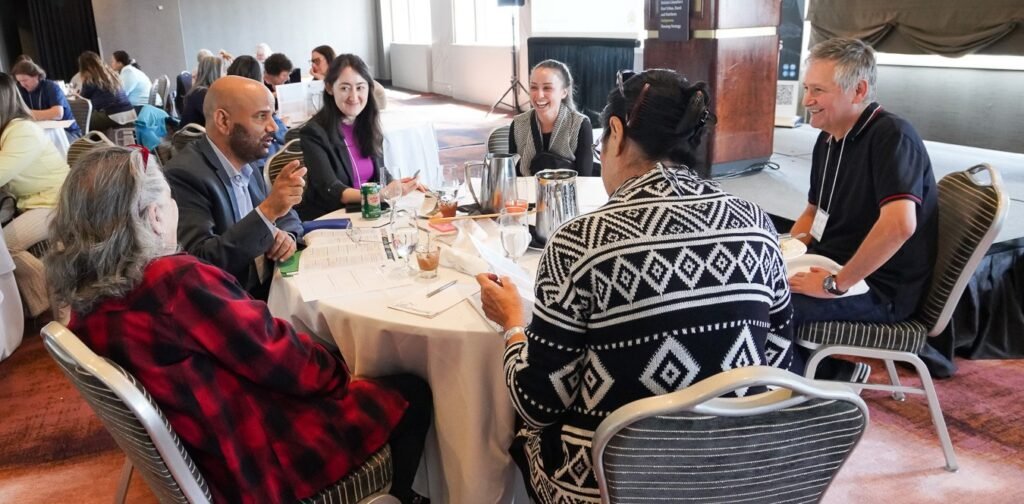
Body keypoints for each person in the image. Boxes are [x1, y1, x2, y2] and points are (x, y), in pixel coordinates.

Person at [45, 145, 432, 504]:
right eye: (170, 200)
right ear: (155, 216)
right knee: (410, 392)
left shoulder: (83, 298)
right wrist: (342, 374)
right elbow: (281, 358)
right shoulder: (173, 282)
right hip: (259, 463)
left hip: (207, 456)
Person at [475, 69, 794, 503]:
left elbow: (538, 404)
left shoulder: (580, 243)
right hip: (733, 475)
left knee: (509, 430)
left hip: (611, 485)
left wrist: (513, 324)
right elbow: (778, 361)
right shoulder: (758, 226)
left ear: (617, 133)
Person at [788, 38, 938, 380]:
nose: (807, 100)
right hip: (832, 264)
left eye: (819, 91)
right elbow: (813, 213)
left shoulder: (892, 136)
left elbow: (900, 226)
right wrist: (786, 252)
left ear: (858, 91)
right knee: (749, 286)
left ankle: (832, 378)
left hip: (878, 287)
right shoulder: (828, 137)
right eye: (807, 88)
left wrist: (835, 285)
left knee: (769, 308)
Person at [163, 75, 304, 300]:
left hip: (268, 290)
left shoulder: (247, 162)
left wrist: (286, 235)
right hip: (230, 306)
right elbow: (202, 264)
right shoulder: (184, 175)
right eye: (261, 116)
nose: (273, 127)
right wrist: (268, 212)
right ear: (224, 121)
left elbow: (287, 215)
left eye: (273, 115)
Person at [298, 54, 416, 221]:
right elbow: (331, 189)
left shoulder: (368, 124)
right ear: (330, 88)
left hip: (369, 212)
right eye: (345, 88)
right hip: (332, 218)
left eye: (360, 87)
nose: (354, 97)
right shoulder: (314, 132)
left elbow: (380, 172)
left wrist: (397, 185)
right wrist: (381, 194)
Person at [0, 72, 70, 317]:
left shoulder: (22, 132)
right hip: (36, 201)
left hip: (55, 202)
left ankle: (50, 297)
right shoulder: (10, 130)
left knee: (4, 246)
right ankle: (45, 300)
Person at [508, 59, 594, 176]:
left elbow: (584, 179)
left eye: (547, 88)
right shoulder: (518, 124)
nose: (539, 95)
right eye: (533, 87)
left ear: (564, 92)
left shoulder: (580, 125)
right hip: (526, 193)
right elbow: (512, 176)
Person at [10, 60, 81, 139]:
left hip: (67, 133)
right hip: (41, 132)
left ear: (36, 76)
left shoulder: (51, 87)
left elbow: (57, 114)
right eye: (19, 81)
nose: (23, 85)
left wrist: (26, 113)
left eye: (25, 80)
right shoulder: (21, 90)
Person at [309, 47, 387, 109]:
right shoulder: (322, 81)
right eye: (312, 62)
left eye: (317, 61)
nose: (313, 65)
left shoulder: (346, 75)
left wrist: (323, 80)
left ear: (329, 59)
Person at [77, 51, 135, 131]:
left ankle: (92, 143)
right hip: (129, 112)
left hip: (113, 115)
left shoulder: (90, 79)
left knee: (80, 122)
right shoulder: (111, 74)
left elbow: (82, 101)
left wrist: (75, 95)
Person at [179, 55, 223, 127]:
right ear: (215, 73)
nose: (226, 74)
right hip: (195, 136)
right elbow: (216, 120)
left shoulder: (199, 91)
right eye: (223, 71)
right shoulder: (202, 94)